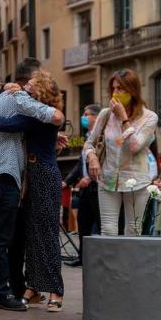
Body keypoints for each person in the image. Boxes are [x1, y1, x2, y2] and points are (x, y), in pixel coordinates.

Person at [0, 58, 65, 311]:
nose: (27, 86)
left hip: (44, 175)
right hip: (30, 174)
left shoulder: (35, 114)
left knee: (47, 233)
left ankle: (55, 291)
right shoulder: (30, 110)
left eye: (32, 84)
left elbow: (5, 125)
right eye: (27, 82)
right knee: (30, 233)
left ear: (40, 91)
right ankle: (32, 286)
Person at [85, 69, 158, 236]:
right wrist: (92, 158)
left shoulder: (149, 117)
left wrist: (123, 119)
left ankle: (131, 263)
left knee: (133, 230)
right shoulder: (105, 114)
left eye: (120, 89)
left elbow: (135, 145)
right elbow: (89, 143)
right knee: (108, 230)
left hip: (137, 181)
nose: (115, 93)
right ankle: (112, 263)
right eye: (113, 89)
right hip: (108, 179)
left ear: (132, 91)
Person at [62, 104, 103, 267]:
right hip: (85, 190)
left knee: (100, 224)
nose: (84, 118)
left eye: (87, 114)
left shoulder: (103, 135)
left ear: (97, 117)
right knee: (83, 223)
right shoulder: (88, 136)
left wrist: (92, 179)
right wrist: (66, 181)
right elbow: (80, 164)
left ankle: (99, 259)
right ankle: (83, 257)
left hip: (99, 187)